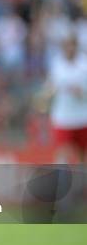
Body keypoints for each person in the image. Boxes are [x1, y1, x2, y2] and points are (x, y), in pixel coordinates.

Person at [48, 32, 87, 163]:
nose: (70, 49)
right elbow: (52, 86)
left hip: (82, 117)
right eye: (67, 46)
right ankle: (61, 181)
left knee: (82, 154)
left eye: (72, 45)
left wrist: (82, 92)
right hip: (63, 117)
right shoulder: (56, 64)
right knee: (62, 152)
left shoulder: (84, 64)